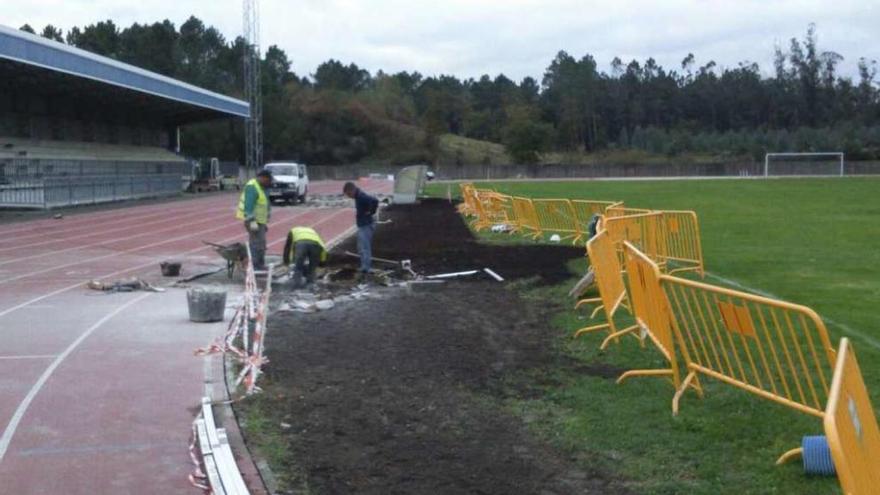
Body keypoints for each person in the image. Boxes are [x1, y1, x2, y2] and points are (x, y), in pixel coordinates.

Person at [236, 170, 273, 270]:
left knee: (261, 243)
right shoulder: (252, 187)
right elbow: (248, 208)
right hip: (253, 220)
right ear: (263, 178)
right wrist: (253, 223)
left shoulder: (261, 187)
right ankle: (255, 266)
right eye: (268, 180)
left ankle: (259, 264)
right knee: (256, 244)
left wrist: (264, 223)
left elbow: (264, 205)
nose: (269, 183)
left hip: (260, 221)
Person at [343, 181, 379, 278]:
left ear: (352, 190)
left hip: (366, 225)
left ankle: (366, 268)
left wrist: (371, 212)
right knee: (361, 247)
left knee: (364, 247)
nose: (349, 196)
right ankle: (364, 266)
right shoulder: (358, 196)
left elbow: (375, 201)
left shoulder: (361, 196)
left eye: (349, 194)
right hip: (363, 224)